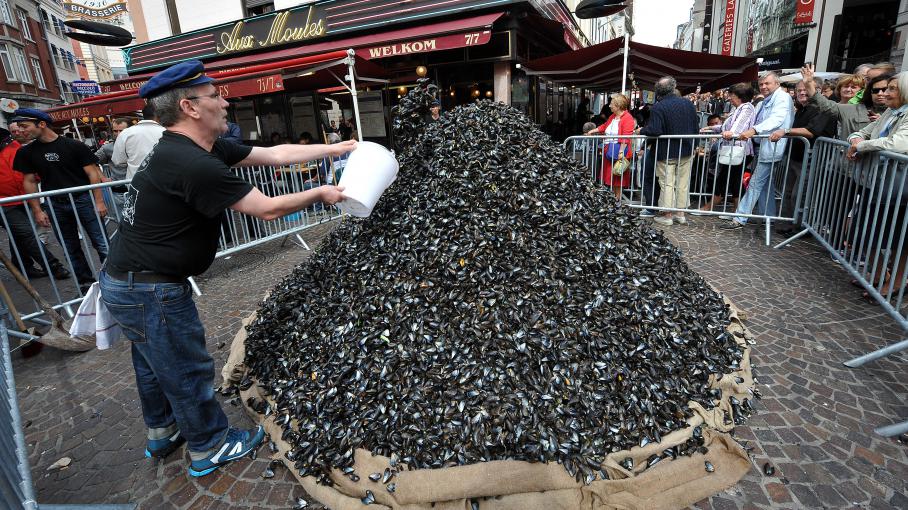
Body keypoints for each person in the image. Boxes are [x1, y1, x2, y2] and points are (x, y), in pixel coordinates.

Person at [98, 60, 353, 478]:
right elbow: (267, 209)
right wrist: (321, 193)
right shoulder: (192, 163)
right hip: (149, 288)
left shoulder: (199, 148)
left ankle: (163, 432)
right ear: (190, 107)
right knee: (185, 366)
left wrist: (340, 149)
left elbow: (276, 154)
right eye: (215, 94)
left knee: (151, 362)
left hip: (127, 280)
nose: (225, 100)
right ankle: (209, 445)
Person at [12, 109, 109, 289]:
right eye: (19, 127)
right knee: (70, 248)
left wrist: (99, 201)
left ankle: (113, 283)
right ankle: (86, 287)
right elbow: (29, 181)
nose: (21, 131)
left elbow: (93, 174)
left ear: (41, 124)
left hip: (83, 200)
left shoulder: (74, 145)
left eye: (24, 126)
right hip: (55, 204)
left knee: (102, 243)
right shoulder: (26, 152)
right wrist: (37, 210)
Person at [845, 72, 908, 299]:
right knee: (862, 231)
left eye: (892, 89)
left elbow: (898, 144)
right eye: (884, 89)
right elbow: (862, 133)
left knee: (899, 238)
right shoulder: (891, 113)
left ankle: (894, 282)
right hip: (879, 183)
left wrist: (862, 146)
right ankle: (882, 276)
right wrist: (855, 141)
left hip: (899, 188)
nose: (885, 94)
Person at [721, 72, 794, 230]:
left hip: (772, 147)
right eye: (761, 84)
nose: (764, 86)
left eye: (767, 83)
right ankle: (769, 217)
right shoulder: (767, 100)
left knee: (755, 183)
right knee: (766, 184)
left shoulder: (782, 97)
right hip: (764, 146)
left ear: (777, 83)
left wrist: (754, 130)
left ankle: (740, 218)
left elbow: (777, 118)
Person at [0, 127, 70, 279]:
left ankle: (22, 265)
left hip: (21, 198)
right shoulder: (13, 147)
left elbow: (27, 170)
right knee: (26, 233)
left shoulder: (14, 147)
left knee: (19, 235)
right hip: (5, 203)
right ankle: (53, 265)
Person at [771, 79, 837, 230]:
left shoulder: (823, 108)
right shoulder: (801, 108)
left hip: (811, 160)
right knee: (788, 193)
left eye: (805, 89)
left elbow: (811, 131)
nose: (801, 92)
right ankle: (788, 224)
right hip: (795, 157)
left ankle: (801, 226)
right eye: (799, 90)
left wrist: (786, 131)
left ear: (817, 90)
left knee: (800, 195)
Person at [638, 76, 699, 226]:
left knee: (667, 183)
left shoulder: (659, 107)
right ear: (674, 87)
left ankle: (668, 215)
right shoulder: (688, 104)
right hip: (686, 149)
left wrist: (641, 130)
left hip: (666, 151)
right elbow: (695, 126)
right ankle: (680, 214)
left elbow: (655, 130)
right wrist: (695, 145)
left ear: (658, 91)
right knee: (683, 182)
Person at [698, 83, 756, 214]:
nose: (729, 98)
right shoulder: (738, 108)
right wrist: (709, 128)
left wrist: (731, 133)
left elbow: (738, 125)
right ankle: (737, 211)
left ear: (740, 96)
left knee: (725, 179)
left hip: (739, 150)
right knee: (735, 181)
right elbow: (725, 127)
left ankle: (709, 208)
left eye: (732, 95)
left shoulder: (747, 108)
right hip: (734, 150)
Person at [802, 64, 875, 140]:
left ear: (861, 90)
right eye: (846, 86)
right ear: (839, 89)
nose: (848, 89)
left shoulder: (865, 108)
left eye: (853, 87)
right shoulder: (832, 106)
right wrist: (808, 84)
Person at [586, 94, 635, 200]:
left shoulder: (628, 118)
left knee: (618, 177)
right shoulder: (613, 116)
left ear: (618, 106)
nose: (609, 106)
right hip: (610, 151)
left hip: (619, 151)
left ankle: (617, 200)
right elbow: (605, 126)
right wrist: (593, 131)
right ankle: (614, 199)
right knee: (611, 177)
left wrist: (621, 153)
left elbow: (626, 137)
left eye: (612, 104)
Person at [112, 103, 166, 181]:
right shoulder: (167, 132)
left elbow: (117, 160)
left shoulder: (126, 133)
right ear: (158, 115)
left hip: (135, 181)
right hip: (162, 180)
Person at [95, 118, 130, 218]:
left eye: (122, 131)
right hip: (119, 194)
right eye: (115, 131)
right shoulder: (108, 148)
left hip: (140, 190)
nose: (118, 134)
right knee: (123, 223)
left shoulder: (138, 145)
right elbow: (91, 162)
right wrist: (103, 178)